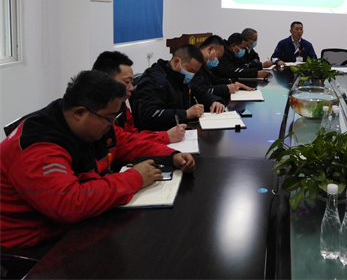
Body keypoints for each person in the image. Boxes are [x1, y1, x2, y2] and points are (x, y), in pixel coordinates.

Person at [0, 70, 196, 249]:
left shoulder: (91, 123)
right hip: (34, 242)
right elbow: (68, 204)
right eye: (109, 119)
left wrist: (171, 155)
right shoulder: (39, 147)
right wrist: (135, 177)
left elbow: (128, 143)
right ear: (79, 112)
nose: (112, 124)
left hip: (71, 224)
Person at [92, 51, 186, 143]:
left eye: (131, 83)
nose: (131, 88)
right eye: (127, 82)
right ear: (106, 80)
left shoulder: (122, 106)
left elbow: (132, 135)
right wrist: (165, 136)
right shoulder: (96, 116)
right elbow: (125, 141)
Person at [132, 44, 226, 131]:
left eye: (194, 72)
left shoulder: (179, 77)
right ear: (176, 62)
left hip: (180, 131)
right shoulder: (154, 80)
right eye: (190, 70)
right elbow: (148, 115)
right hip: (157, 136)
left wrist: (215, 101)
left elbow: (200, 93)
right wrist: (186, 114)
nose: (191, 75)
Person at [192, 35, 255, 100]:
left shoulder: (204, 65)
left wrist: (232, 83)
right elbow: (202, 91)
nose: (218, 61)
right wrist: (226, 89)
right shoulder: (194, 65)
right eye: (218, 57)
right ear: (210, 49)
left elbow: (214, 80)